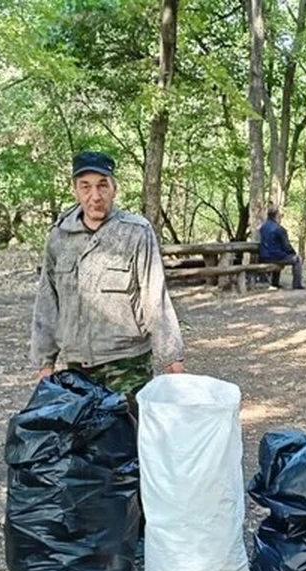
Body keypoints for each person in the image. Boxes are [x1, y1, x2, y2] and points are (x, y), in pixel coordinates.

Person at [31, 151, 185, 404]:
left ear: (114, 188)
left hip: (127, 366)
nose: (95, 196)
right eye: (86, 187)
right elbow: (47, 303)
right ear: (75, 190)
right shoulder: (59, 237)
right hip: (76, 369)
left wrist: (172, 360)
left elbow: (155, 298)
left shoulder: (136, 232)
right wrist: (44, 363)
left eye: (103, 186)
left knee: (127, 439)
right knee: (84, 441)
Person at [258, 206, 305, 289]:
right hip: (275, 257)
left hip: (263, 257)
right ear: (276, 216)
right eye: (280, 216)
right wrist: (294, 254)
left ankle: (275, 283)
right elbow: (286, 246)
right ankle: (297, 285)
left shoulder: (263, 227)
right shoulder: (279, 229)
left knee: (278, 254)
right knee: (297, 260)